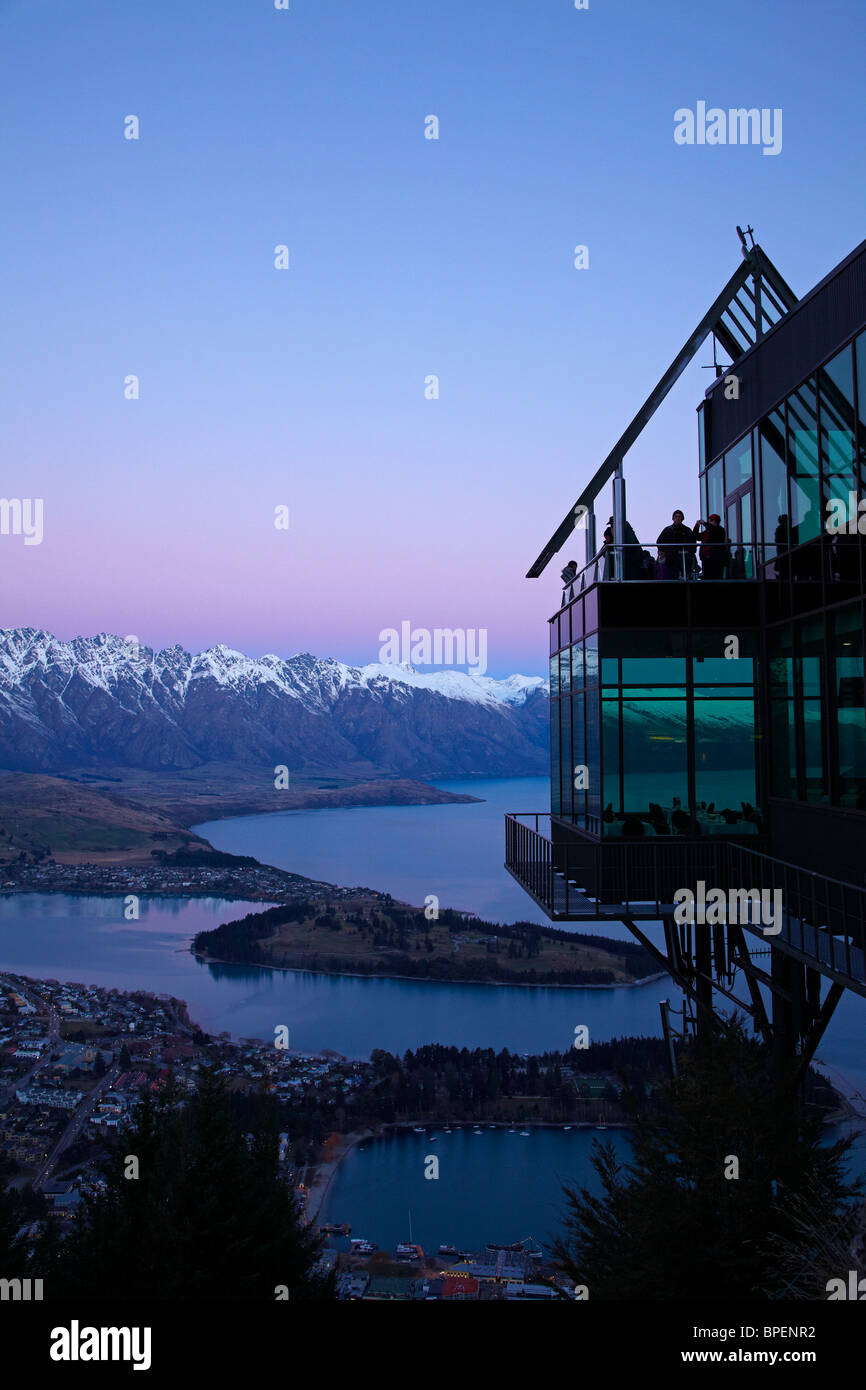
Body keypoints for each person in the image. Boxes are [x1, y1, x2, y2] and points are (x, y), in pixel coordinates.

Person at [656, 510, 697, 580]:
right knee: (672, 578)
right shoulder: (667, 530)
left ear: (682, 518)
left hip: (685, 558)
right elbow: (659, 542)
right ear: (673, 518)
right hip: (671, 559)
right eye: (676, 516)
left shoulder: (687, 530)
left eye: (679, 516)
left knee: (687, 578)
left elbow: (693, 543)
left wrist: (690, 553)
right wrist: (663, 551)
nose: (678, 518)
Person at [694, 513, 729, 579]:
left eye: (712, 520)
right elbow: (697, 537)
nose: (710, 522)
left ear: (717, 521)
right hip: (706, 558)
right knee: (707, 577)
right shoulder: (707, 531)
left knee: (716, 577)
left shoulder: (720, 530)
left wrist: (704, 523)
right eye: (710, 520)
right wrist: (697, 526)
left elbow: (713, 530)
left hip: (716, 559)